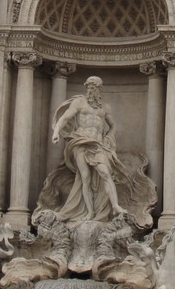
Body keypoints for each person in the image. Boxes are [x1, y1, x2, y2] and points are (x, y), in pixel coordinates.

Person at [51, 76, 128, 220]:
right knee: (85, 177)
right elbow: (65, 118)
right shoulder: (79, 102)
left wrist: (109, 137)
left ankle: (115, 206)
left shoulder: (105, 107)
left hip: (97, 144)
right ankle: (90, 212)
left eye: (93, 87)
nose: (90, 90)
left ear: (99, 89)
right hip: (80, 142)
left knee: (105, 173)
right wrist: (56, 132)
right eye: (88, 87)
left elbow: (113, 126)